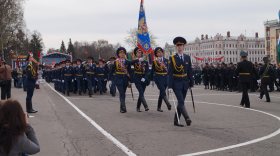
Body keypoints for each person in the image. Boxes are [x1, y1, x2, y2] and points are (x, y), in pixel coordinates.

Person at [168, 37, 193, 127]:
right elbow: (170, 73)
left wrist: (191, 83)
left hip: (185, 82)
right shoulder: (172, 58)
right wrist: (170, 86)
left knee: (180, 103)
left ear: (183, 46)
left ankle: (176, 121)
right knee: (181, 101)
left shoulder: (187, 57)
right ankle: (187, 118)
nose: (179, 47)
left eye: (181, 45)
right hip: (176, 82)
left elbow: (189, 71)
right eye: (178, 45)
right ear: (176, 47)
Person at [110, 47, 131, 113]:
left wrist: (130, 80)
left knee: (123, 93)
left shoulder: (127, 61)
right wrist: (110, 79)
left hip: (125, 78)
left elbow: (130, 71)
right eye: (120, 53)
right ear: (118, 54)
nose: (122, 54)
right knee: (121, 92)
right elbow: (111, 71)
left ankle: (121, 108)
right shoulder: (116, 62)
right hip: (118, 78)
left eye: (123, 53)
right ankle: (124, 106)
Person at [151, 47, 171, 112]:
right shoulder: (155, 61)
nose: (159, 53)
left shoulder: (167, 60)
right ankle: (167, 103)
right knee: (162, 90)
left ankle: (158, 107)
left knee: (161, 93)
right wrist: (153, 80)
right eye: (158, 52)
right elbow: (153, 71)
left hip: (165, 78)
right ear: (156, 54)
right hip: (158, 78)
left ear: (162, 52)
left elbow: (169, 70)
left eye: (161, 52)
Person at [131, 47, 149, 112]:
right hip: (137, 78)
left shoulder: (145, 62)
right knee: (141, 92)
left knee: (141, 94)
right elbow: (130, 63)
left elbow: (147, 71)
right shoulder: (134, 61)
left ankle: (138, 107)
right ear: (136, 53)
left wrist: (145, 77)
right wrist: (138, 60)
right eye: (138, 52)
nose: (139, 53)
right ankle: (145, 106)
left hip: (143, 78)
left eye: (140, 52)